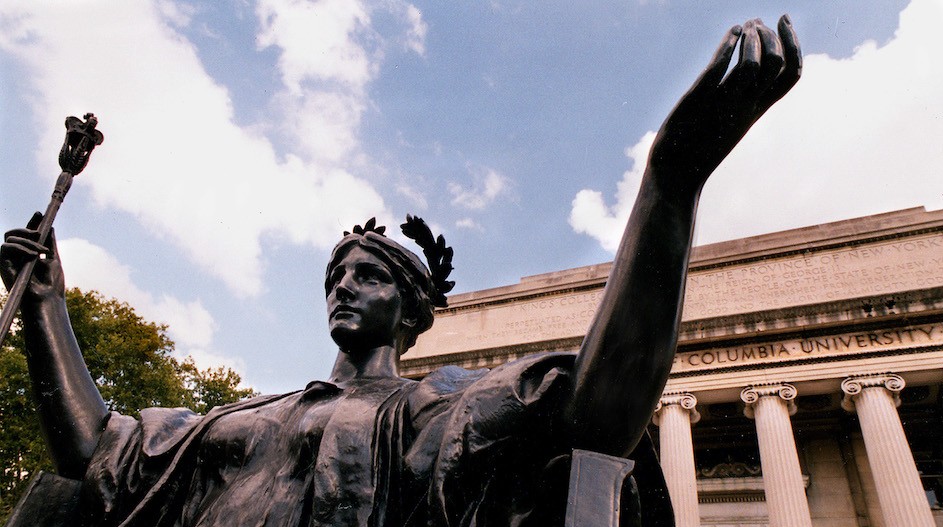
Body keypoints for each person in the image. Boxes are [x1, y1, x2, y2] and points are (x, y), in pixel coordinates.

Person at [1, 17, 800, 527]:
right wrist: (46, 306)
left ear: (413, 312)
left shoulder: (437, 411)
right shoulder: (241, 418)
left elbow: (595, 412)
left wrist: (668, 187)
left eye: (369, 275)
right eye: (334, 275)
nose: (343, 284)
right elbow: (97, 454)